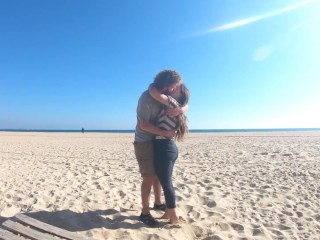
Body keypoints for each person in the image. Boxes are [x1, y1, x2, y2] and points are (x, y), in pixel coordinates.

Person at [134, 70, 187, 227]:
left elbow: (184, 102)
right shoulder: (147, 97)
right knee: (149, 178)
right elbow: (143, 124)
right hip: (144, 141)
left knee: (157, 176)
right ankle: (145, 213)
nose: (173, 89)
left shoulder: (165, 98)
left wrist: (182, 109)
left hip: (157, 142)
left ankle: (158, 203)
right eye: (173, 86)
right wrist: (165, 133)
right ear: (165, 84)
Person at [148, 83, 190, 225]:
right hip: (168, 147)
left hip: (164, 147)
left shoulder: (172, 102)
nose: (173, 87)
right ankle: (167, 212)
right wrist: (184, 108)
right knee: (164, 180)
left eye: (177, 87)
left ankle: (173, 216)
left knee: (166, 184)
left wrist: (154, 83)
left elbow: (153, 91)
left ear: (180, 95)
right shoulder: (176, 106)